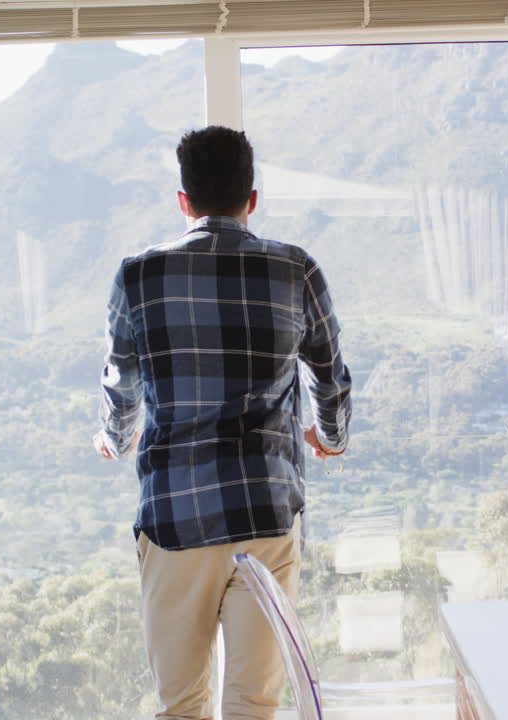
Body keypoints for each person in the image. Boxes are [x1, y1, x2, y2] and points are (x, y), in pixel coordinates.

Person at [92, 125, 352, 720]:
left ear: (183, 200)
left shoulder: (138, 276)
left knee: (180, 705)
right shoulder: (296, 270)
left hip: (175, 516)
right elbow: (329, 375)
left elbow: (120, 380)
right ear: (251, 198)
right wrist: (330, 437)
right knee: (253, 704)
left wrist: (114, 435)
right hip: (265, 509)